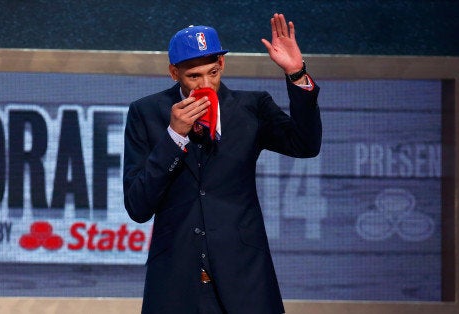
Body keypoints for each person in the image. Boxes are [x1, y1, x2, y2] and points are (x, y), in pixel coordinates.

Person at [123, 13, 322, 314]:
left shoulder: (252, 107)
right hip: (175, 284)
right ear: (173, 72)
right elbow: (137, 206)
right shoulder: (147, 113)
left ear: (223, 65)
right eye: (194, 76)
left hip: (245, 281)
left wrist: (296, 75)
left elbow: (305, 145)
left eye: (213, 72)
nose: (206, 84)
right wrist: (174, 137)